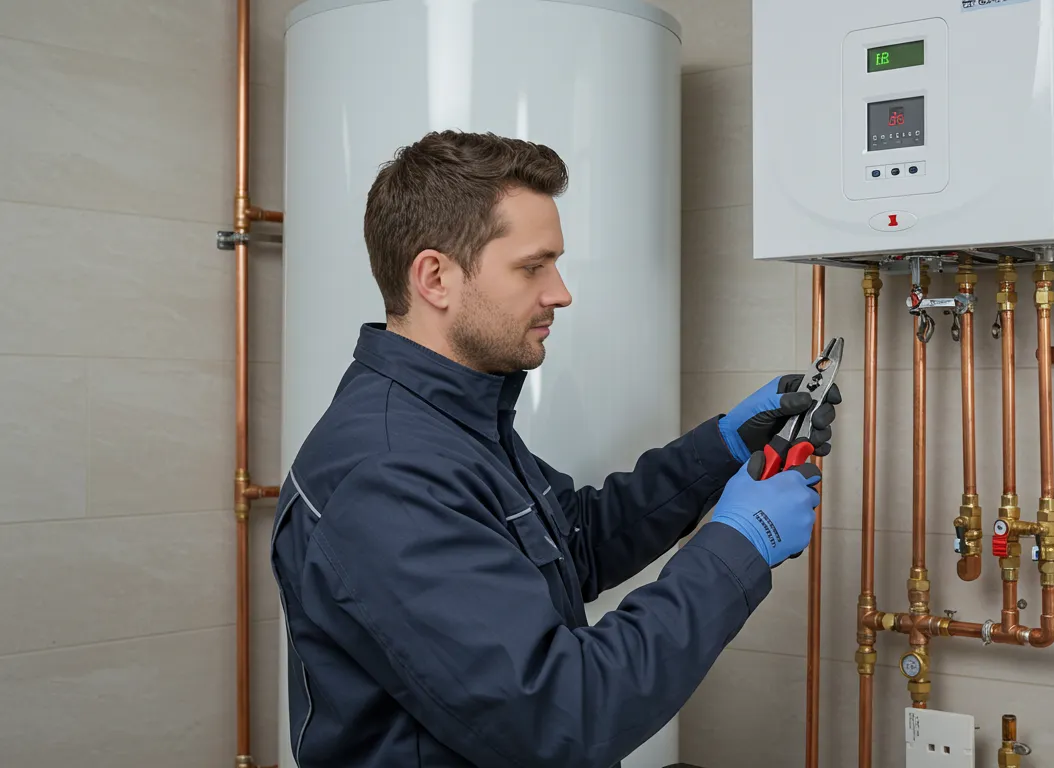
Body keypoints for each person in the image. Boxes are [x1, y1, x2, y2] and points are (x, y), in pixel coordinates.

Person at [269, 130, 841, 768]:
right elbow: (563, 712)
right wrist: (741, 542)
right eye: (532, 267)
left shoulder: (450, 421)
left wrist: (724, 447)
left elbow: (574, 542)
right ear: (435, 277)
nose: (560, 292)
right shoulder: (389, 476)